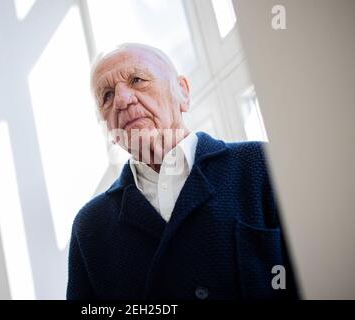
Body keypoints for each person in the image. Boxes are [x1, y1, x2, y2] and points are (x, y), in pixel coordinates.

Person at [67, 43, 299, 300]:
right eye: (107, 96)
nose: (122, 100)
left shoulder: (262, 165)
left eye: (137, 79)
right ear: (106, 126)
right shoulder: (89, 227)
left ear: (183, 93)